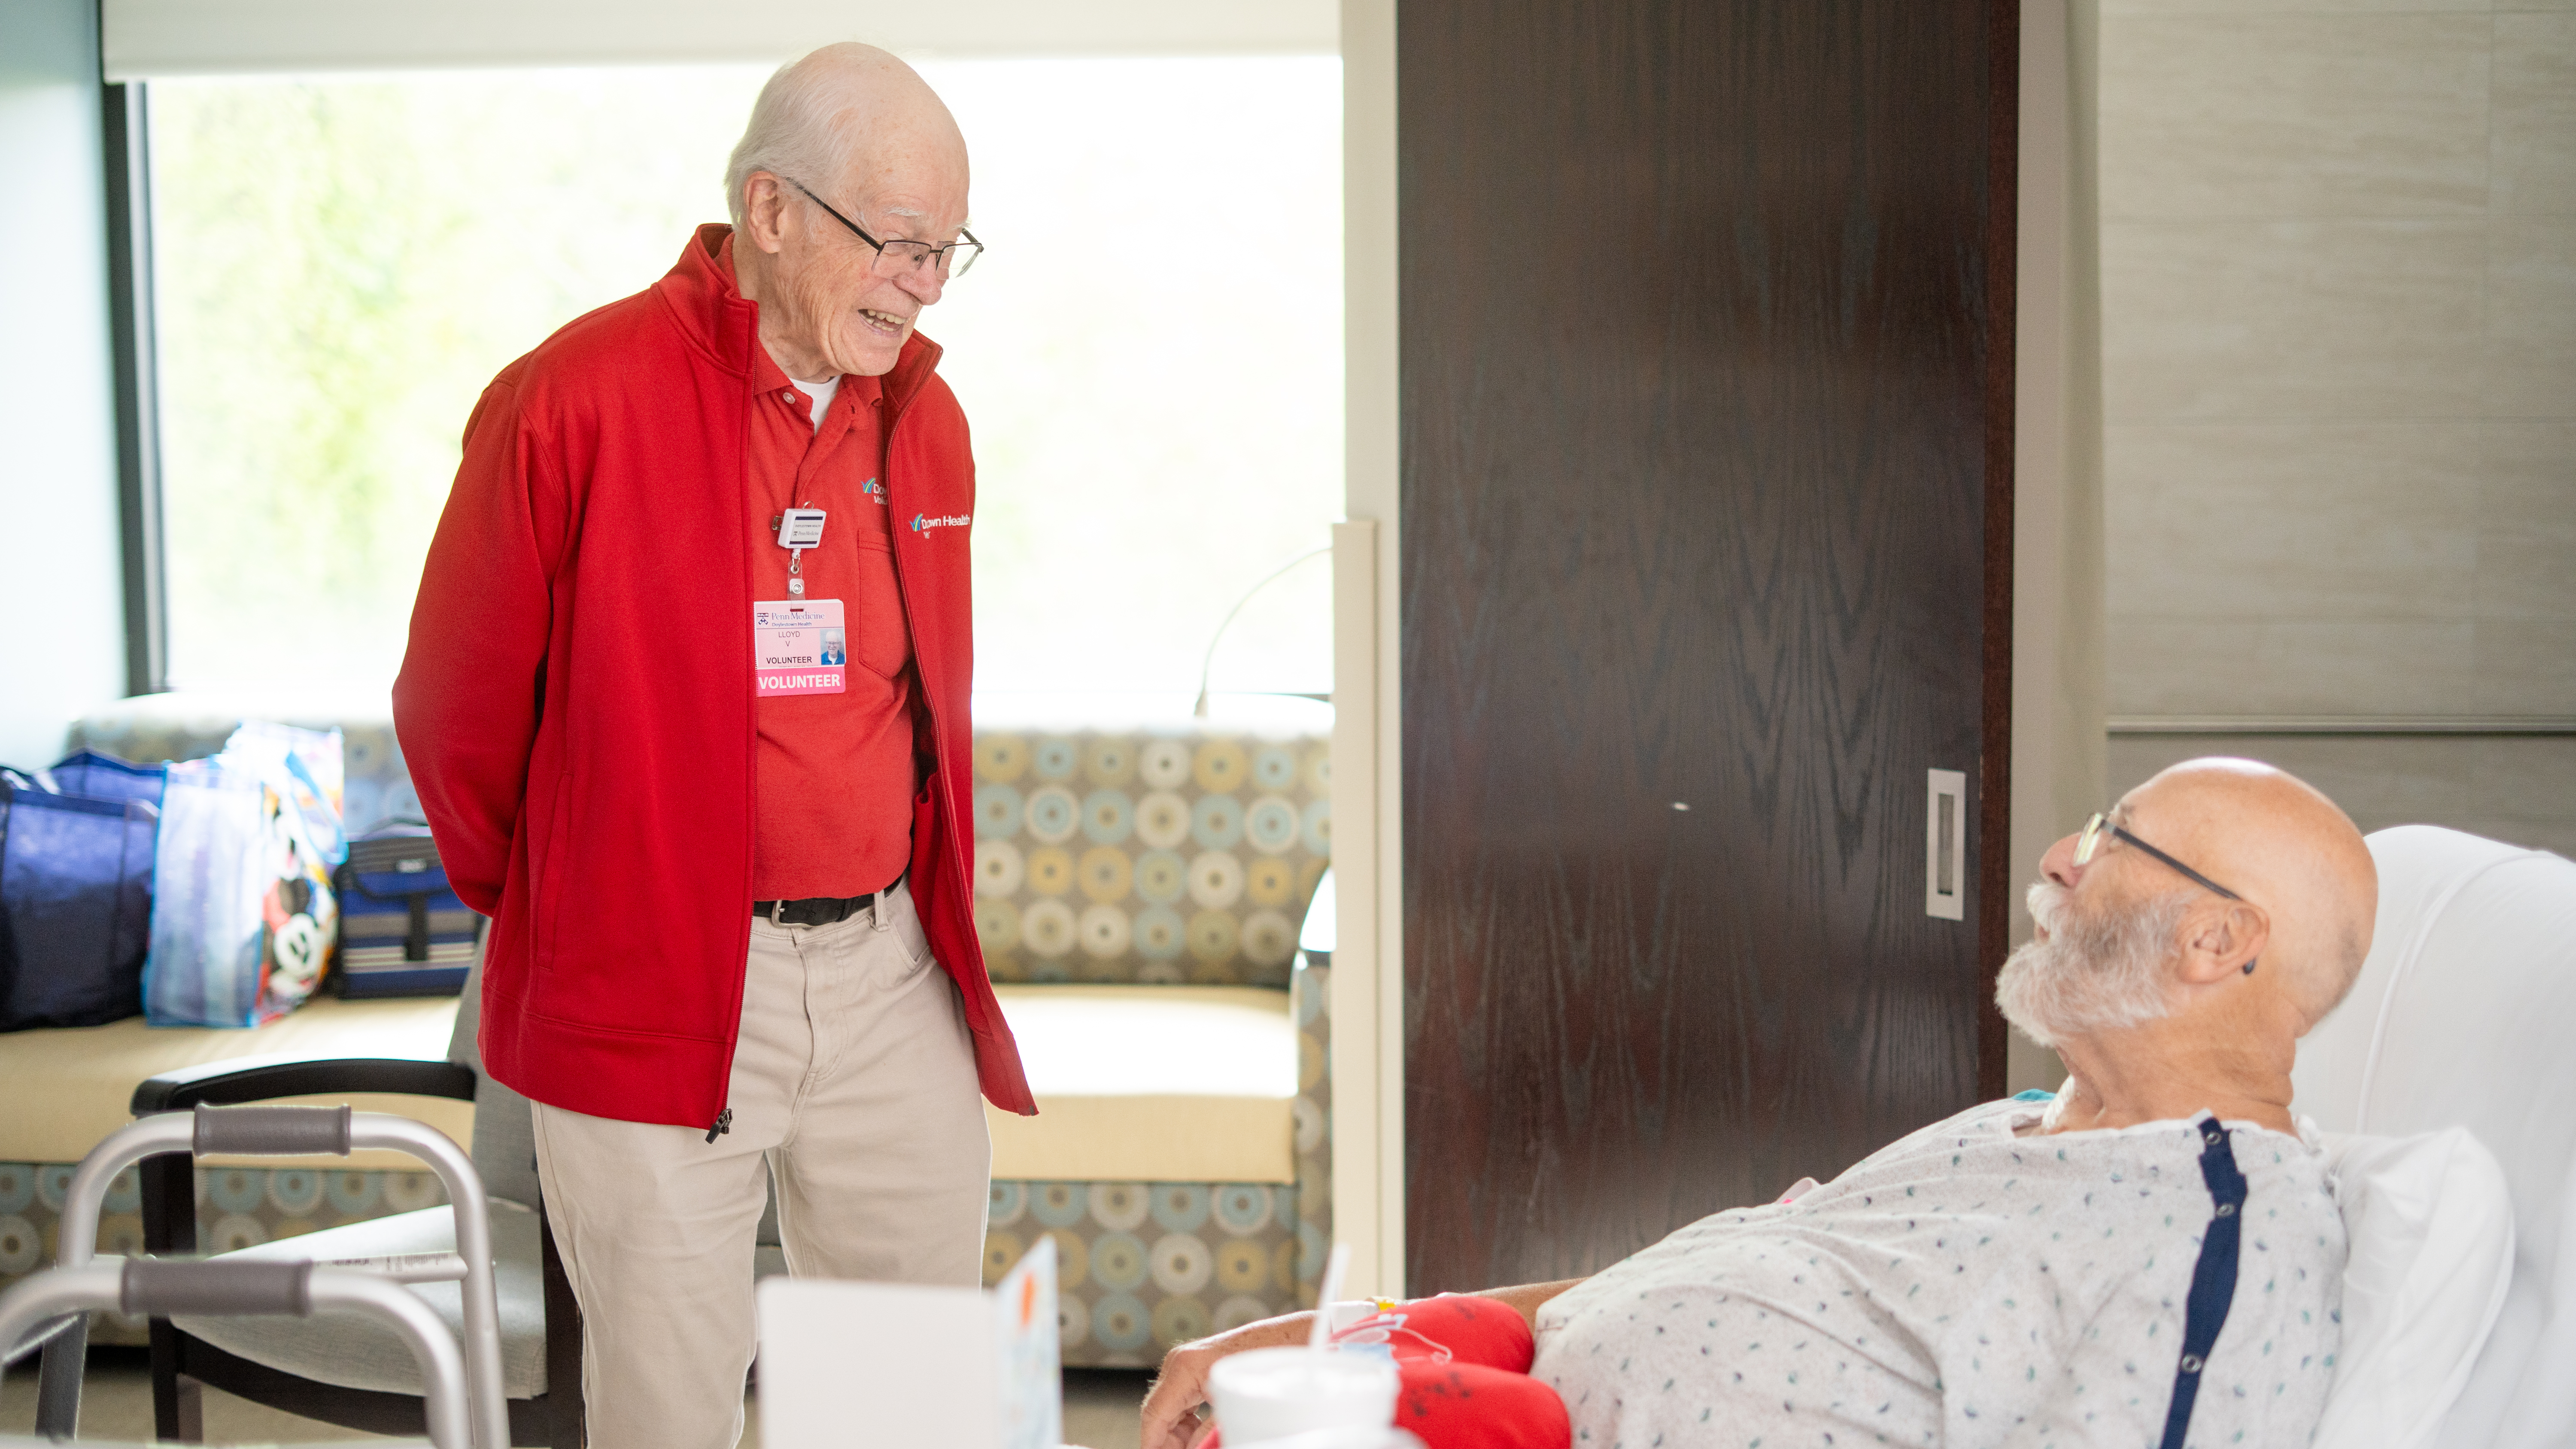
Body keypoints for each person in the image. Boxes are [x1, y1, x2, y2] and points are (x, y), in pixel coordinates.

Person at [393, 44, 1031, 1449]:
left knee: (906, 1398)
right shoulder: (570, 401)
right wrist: (581, 904)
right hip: (659, 975)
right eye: (899, 242)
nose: (926, 284)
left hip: (887, 973)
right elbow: (452, 711)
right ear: (773, 210)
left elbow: (914, 714)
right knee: (669, 1407)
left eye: (949, 249)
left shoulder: (926, 422)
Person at [1142, 758, 2378, 1449]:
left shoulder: (2224, 1238)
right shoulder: (2014, 1123)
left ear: (2215, 939)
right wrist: (1345, 1341)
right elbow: (1714, 1279)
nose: (2059, 857)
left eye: (2111, 839)